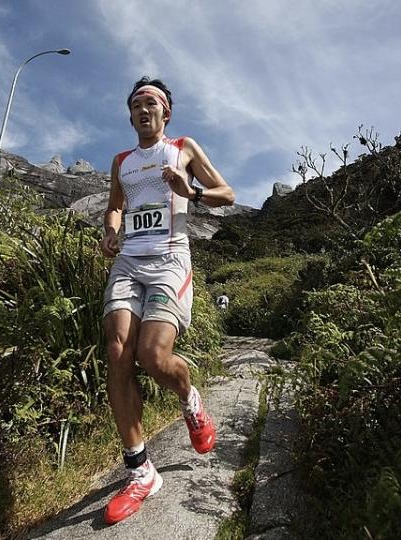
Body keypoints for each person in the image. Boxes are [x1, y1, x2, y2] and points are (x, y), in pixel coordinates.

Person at [99, 76, 236, 525]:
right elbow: (115, 205)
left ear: (166, 113)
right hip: (128, 265)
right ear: (130, 114)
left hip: (170, 263)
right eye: (136, 103)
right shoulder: (122, 161)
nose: (143, 109)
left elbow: (226, 195)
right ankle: (140, 472)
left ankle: (190, 399)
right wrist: (112, 230)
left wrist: (189, 190)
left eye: (151, 103)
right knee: (118, 350)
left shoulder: (183, 149)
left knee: (153, 356)